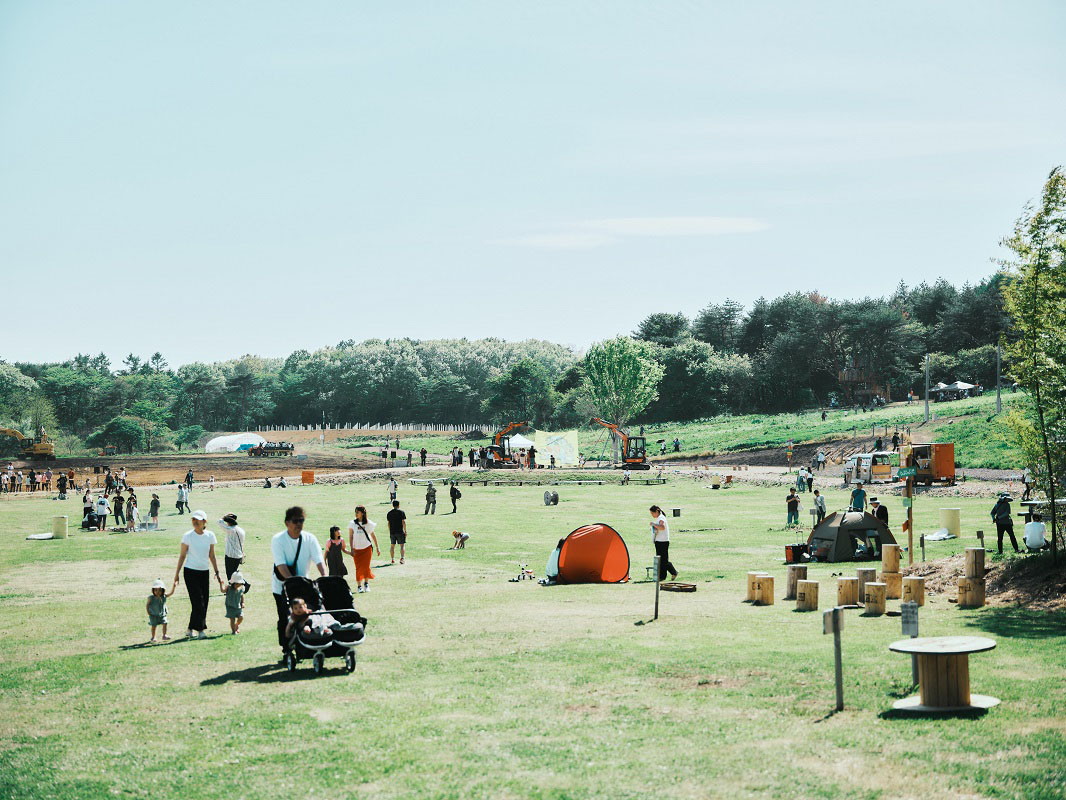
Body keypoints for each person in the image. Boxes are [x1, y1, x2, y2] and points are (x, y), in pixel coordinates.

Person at [271, 506, 326, 655]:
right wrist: (292, 583)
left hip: (303, 586)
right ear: (287, 522)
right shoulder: (278, 540)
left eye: (301, 520)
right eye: (295, 521)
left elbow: (319, 560)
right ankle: (286, 648)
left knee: (307, 615)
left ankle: (308, 643)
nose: (299, 524)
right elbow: (281, 565)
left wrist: (324, 577)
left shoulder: (310, 538)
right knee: (285, 617)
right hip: (281, 586)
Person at [172, 510, 225, 639]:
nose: (195, 522)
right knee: (198, 602)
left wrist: (217, 572)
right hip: (190, 572)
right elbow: (182, 555)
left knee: (204, 602)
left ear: (204, 522)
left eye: (198, 520)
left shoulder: (210, 536)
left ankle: (190, 629)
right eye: (193, 520)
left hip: (204, 572)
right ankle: (201, 630)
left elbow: (212, 555)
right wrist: (177, 574)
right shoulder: (188, 536)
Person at [348, 505, 380, 591]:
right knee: (358, 567)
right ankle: (359, 586)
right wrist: (351, 548)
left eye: (357, 512)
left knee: (366, 567)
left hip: (367, 548)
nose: (356, 514)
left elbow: (373, 535)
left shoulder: (368, 523)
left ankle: (366, 584)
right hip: (356, 549)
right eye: (355, 512)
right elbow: (350, 536)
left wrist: (377, 547)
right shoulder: (352, 523)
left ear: (362, 513)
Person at [649, 505, 678, 581]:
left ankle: (674, 572)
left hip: (663, 542)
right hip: (659, 541)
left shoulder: (661, 518)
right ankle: (662, 576)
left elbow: (662, 527)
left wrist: (653, 524)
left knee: (664, 560)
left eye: (652, 513)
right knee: (661, 560)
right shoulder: (659, 518)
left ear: (656, 511)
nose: (652, 515)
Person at [219, 513, 245, 579]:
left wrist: (224, 516)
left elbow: (219, 522)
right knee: (234, 574)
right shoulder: (241, 530)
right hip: (238, 555)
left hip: (230, 556)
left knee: (230, 576)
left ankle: (243, 585)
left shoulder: (230, 530)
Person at [386, 500, 407, 564]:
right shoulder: (401, 512)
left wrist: (390, 531)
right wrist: (405, 530)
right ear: (398, 505)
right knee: (402, 545)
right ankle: (402, 558)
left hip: (392, 531)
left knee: (392, 546)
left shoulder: (389, 513)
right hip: (400, 531)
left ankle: (392, 559)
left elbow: (388, 523)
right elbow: (403, 522)